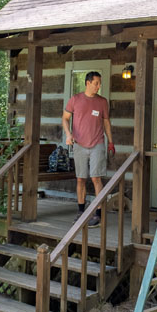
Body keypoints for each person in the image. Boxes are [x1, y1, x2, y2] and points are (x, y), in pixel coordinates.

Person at [62, 71, 115, 227]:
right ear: (88, 83)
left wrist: (110, 142)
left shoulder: (102, 102)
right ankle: (80, 211)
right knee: (80, 178)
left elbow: (106, 122)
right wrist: (68, 134)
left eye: (99, 83)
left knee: (96, 178)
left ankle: (98, 213)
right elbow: (65, 118)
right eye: (96, 83)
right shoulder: (75, 99)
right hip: (79, 144)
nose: (98, 86)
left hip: (97, 143)